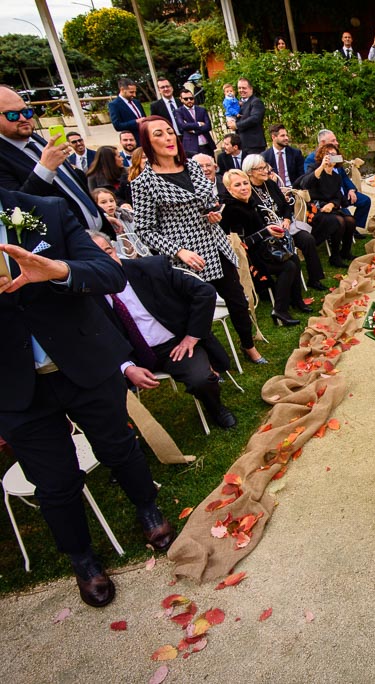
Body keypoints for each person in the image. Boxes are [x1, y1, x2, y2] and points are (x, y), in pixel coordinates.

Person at [0, 186, 174, 608]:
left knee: (118, 444)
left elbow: (109, 273)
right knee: (54, 482)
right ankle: (83, 561)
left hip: (85, 364)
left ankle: (148, 510)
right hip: (13, 383)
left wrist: (58, 270)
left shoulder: (44, 209)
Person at [130, 116, 267, 365]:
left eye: (170, 131)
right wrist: (178, 251)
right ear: (148, 142)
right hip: (185, 256)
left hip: (215, 244)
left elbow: (206, 201)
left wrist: (213, 211)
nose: (168, 137)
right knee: (197, 311)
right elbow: (144, 229)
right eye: (158, 134)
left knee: (237, 300)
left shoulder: (192, 167)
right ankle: (212, 363)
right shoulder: (143, 183)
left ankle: (249, 346)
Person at [89, 231, 238, 429]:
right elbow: (95, 339)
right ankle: (129, 439)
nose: (105, 261)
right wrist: (126, 367)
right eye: (93, 257)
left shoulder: (150, 268)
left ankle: (216, 408)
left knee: (201, 379)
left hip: (173, 346)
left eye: (108, 252)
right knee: (98, 395)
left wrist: (192, 336)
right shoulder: (84, 294)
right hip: (129, 354)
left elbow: (205, 292)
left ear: (115, 250)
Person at [0, 86, 105, 232]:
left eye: (26, 112)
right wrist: (44, 170)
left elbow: (73, 186)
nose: (23, 119)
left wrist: (101, 216)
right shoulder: (3, 157)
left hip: (99, 232)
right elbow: (17, 210)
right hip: (68, 242)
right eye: (12, 115)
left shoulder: (35, 139)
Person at [221, 169, 309, 326]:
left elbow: (260, 230)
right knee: (287, 266)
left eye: (245, 183)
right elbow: (240, 243)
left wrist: (270, 232)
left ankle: (297, 300)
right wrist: (265, 232)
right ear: (229, 189)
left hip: (262, 250)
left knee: (293, 257)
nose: (243, 187)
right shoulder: (231, 209)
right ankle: (279, 311)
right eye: (237, 185)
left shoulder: (249, 202)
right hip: (246, 258)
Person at [241, 154, 328, 290]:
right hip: (268, 234)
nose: (266, 171)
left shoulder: (270, 184)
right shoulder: (247, 192)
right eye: (260, 169)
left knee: (307, 239)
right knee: (288, 252)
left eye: (265, 167)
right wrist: (271, 228)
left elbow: (286, 206)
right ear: (250, 172)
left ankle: (315, 279)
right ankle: (293, 287)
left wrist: (287, 219)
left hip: (285, 225)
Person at [299, 143, 358, 267]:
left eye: (334, 155)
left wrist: (332, 204)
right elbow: (305, 184)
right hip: (316, 209)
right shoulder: (314, 168)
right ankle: (334, 257)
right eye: (328, 154)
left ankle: (345, 252)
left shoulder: (336, 176)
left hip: (331, 208)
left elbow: (338, 197)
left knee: (350, 220)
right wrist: (322, 166)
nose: (331, 157)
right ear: (322, 156)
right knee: (339, 221)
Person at [302, 130, 372, 230]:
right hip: (328, 197)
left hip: (343, 193)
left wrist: (351, 189)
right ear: (322, 143)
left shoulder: (335, 155)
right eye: (333, 140)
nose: (337, 143)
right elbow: (310, 181)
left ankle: (354, 229)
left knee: (365, 201)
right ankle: (348, 230)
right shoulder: (311, 159)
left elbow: (343, 176)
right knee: (346, 215)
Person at [229, 79, 266, 156]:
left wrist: (236, 125)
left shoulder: (256, 102)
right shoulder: (236, 103)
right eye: (239, 88)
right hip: (241, 145)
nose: (241, 90)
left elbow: (255, 118)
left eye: (244, 88)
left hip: (254, 145)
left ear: (251, 89)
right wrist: (229, 123)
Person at [174, 89, 215, 157]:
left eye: (191, 98)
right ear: (181, 99)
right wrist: (198, 124)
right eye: (186, 99)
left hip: (207, 145)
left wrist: (193, 130)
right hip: (191, 146)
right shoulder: (179, 112)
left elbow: (208, 126)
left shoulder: (202, 110)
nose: (189, 100)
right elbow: (182, 126)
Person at [107, 78, 145, 145]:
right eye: (131, 92)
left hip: (145, 138)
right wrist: (135, 122)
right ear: (122, 89)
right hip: (133, 141)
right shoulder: (114, 105)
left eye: (135, 92)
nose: (134, 95)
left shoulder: (136, 102)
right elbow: (117, 126)